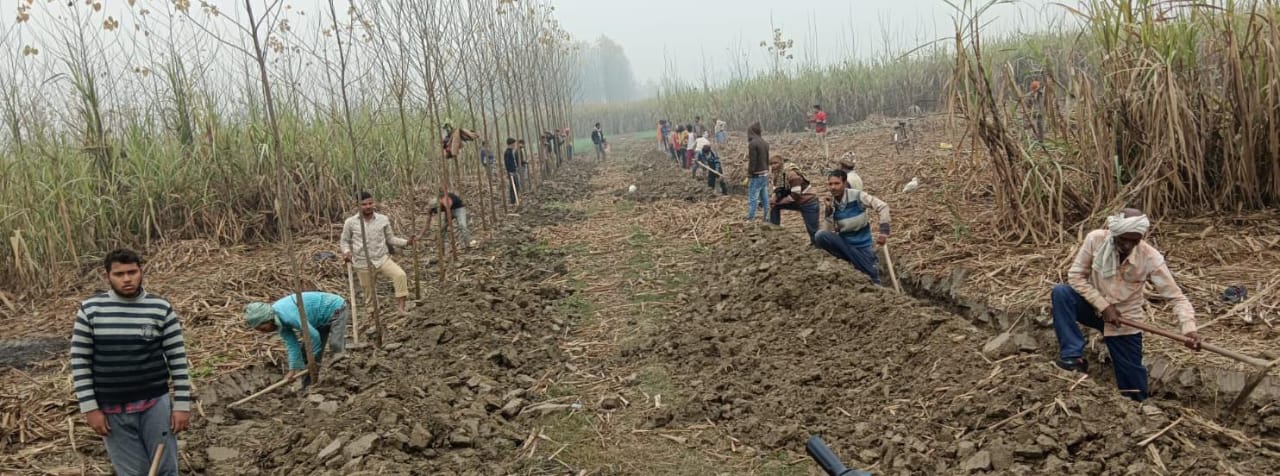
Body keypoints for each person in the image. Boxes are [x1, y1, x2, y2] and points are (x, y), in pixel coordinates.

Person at [1051, 208, 1201, 401]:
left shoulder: (1150, 258)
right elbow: (1076, 276)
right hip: (1092, 308)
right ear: (1114, 233)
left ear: (1141, 237)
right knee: (1062, 293)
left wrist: (1189, 329)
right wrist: (1103, 305)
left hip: (1124, 322)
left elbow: (1176, 298)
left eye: (1134, 240)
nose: (1127, 245)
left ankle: (1138, 408)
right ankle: (1073, 357)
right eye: (1123, 239)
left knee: (1135, 391)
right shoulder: (1095, 240)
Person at [70, 249, 191, 476]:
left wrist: (182, 406)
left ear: (141, 272)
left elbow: (178, 359)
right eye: (119, 274)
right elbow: (80, 362)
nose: (127, 279)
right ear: (108, 277)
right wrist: (90, 409)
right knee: (132, 472)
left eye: (132, 272)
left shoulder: (160, 308)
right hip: (111, 410)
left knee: (166, 469)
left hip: (155, 405)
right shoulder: (91, 310)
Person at [243, 292, 350, 387]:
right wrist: (292, 370)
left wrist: (313, 357)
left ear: (268, 320)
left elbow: (314, 336)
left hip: (335, 308)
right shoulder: (278, 323)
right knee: (305, 353)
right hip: (318, 320)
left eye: (263, 328)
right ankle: (309, 386)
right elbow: (292, 346)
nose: (263, 332)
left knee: (335, 345)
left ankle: (342, 377)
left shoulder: (288, 315)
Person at [341, 191, 414, 313]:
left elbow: (390, 239)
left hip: (382, 259)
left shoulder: (383, 219)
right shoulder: (350, 222)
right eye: (364, 204)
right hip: (362, 262)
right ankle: (373, 316)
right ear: (358, 205)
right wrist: (347, 252)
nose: (368, 206)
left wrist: (407, 242)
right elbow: (344, 241)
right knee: (369, 293)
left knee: (400, 275)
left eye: (370, 203)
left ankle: (401, 308)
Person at [813, 170, 891, 284]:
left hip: (862, 245)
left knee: (873, 277)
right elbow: (827, 231)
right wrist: (829, 210)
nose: (833, 187)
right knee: (820, 235)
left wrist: (884, 232)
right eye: (830, 184)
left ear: (844, 184)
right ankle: (846, 261)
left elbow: (883, 207)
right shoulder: (831, 202)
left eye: (836, 183)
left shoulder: (857, 195)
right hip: (845, 244)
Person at [770, 163, 821, 244]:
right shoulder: (777, 176)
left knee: (813, 230)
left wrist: (779, 202)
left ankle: (817, 247)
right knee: (774, 207)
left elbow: (795, 196)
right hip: (797, 201)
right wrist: (774, 198)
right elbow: (777, 190)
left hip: (808, 202)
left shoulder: (793, 176)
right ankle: (774, 231)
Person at [745, 122, 771, 222]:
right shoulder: (764, 143)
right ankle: (767, 217)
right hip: (765, 173)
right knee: (764, 197)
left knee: (753, 197)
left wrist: (749, 174)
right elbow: (767, 159)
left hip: (757, 174)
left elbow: (753, 161)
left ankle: (750, 219)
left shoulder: (753, 144)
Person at [504, 138, 519, 204]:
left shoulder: (510, 152)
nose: (515, 145)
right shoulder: (507, 152)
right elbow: (507, 163)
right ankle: (513, 201)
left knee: (515, 186)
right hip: (511, 172)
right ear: (511, 144)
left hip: (514, 171)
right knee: (514, 186)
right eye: (514, 144)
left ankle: (514, 200)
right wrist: (510, 172)